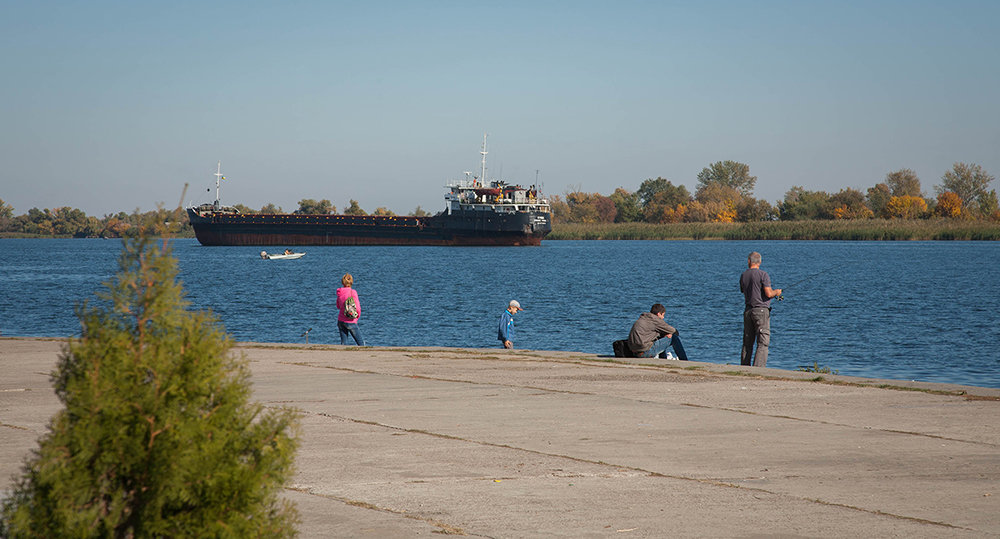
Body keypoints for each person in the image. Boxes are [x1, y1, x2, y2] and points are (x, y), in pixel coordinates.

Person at [740, 251, 782, 367]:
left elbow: (743, 291)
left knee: (747, 343)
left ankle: (744, 367)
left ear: (749, 261)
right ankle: (758, 369)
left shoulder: (744, 275)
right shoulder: (763, 275)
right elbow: (768, 294)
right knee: (763, 342)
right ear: (759, 262)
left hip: (748, 311)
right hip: (761, 311)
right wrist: (777, 292)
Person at [336, 273, 365, 346]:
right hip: (351, 320)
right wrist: (357, 316)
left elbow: (338, 306)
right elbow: (357, 307)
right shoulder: (353, 292)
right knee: (361, 343)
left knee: (344, 343)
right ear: (351, 282)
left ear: (343, 282)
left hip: (341, 320)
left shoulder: (339, 292)